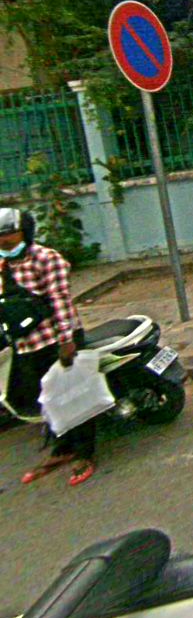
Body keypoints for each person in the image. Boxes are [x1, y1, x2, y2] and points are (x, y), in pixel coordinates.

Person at [0, 207, 96, 486]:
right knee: (46, 399)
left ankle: (84, 454)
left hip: (56, 340)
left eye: (10, 233)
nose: (4, 240)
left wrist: (66, 341)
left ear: (25, 233)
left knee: (73, 396)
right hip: (26, 344)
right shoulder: (4, 264)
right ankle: (63, 448)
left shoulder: (46, 258)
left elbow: (60, 300)